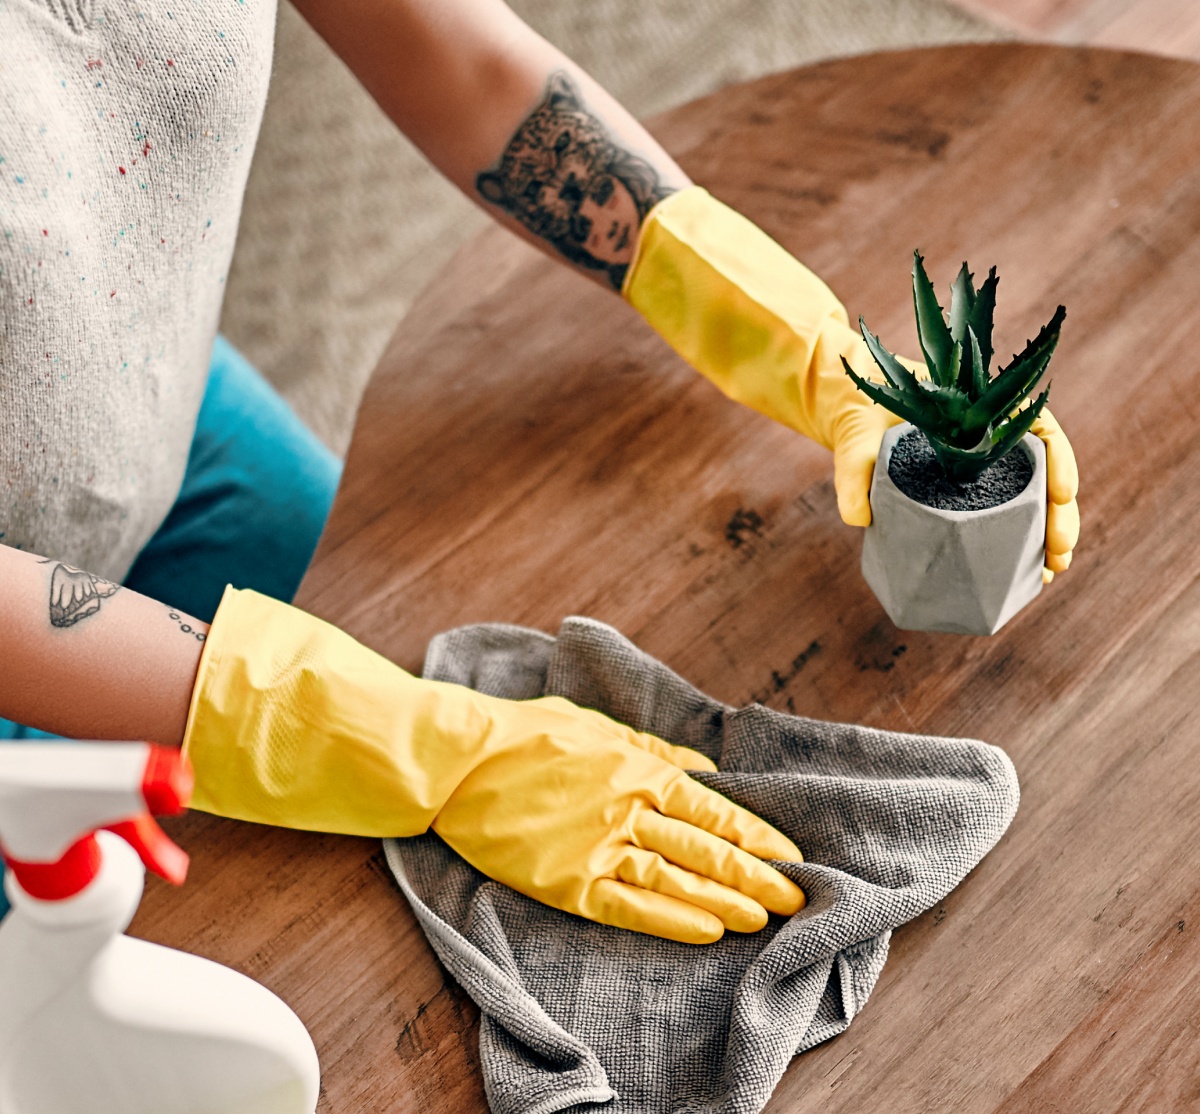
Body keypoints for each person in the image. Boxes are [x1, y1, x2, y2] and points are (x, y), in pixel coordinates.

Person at [0, 0, 1079, 941]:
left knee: (399, 632)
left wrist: (803, 344)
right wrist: (431, 753)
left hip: (162, 407)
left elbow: (465, 65)